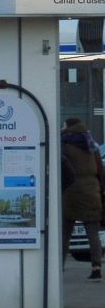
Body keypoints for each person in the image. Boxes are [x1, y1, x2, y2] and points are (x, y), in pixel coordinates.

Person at [62, 117, 103, 281]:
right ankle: (96, 268)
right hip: (91, 188)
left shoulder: (65, 143)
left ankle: (59, 266)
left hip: (71, 188)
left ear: (69, 127)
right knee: (92, 230)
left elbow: (62, 166)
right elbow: (100, 167)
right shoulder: (91, 143)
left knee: (64, 231)